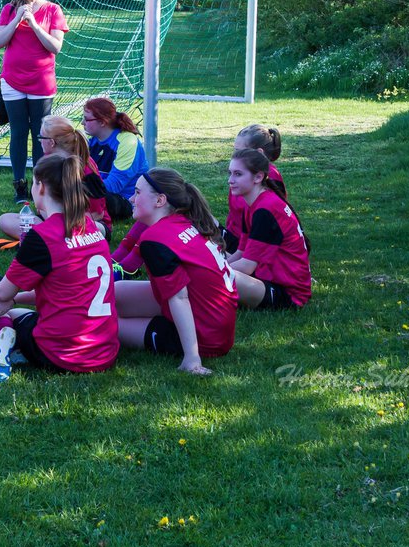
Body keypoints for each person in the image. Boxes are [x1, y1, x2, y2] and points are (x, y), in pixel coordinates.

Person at [0, 154, 119, 381]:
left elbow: (3, 293)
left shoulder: (42, 236)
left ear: (41, 188)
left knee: (7, 310)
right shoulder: (89, 226)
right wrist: (13, 297)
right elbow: (64, 288)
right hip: (104, 352)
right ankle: (19, 352)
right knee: (15, 305)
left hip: (61, 354)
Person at [113, 168, 238, 376]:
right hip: (214, 320)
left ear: (160, 200)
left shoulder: (156, 239)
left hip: (204, 335)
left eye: (137, 192)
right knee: (113, 294)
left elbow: (179, 298)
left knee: (103, 323)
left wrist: (192, 358)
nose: (131, 198)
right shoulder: (184, 219)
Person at [0, 0, 68, 204]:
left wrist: (34, 24)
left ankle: (39, 182)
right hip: (12, 80)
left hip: (41, 81)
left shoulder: (53, 10)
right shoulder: (9, 8)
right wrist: (16, 19)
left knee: (40, 134)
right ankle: (19, 185)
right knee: (18, 131)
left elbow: (55, 46)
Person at [0, 115, 111, 250]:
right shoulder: (46, 164)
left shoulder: (85, 168)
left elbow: (97, 215)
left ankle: (41, 242)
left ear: (51, 142)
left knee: (92, 229)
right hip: (53, 221)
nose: (39, 142)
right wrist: (52, 222)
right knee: (5, 220)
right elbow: (41, 207)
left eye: (41, 138)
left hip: (85, 225)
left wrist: (60, 221)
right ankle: (49, 241)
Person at [227, 148, 311, 310]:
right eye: (230, 173)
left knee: (220, 275)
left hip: (288, 294)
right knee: (213, 259)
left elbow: (247, 266)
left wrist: (207, 271)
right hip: (265, 279)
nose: (230, 180)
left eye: (238, 174)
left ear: (258, 177)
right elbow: (241, 253)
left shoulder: (266, 208)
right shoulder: (252, 204)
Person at [223, 124, 286, 256]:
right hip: (239, 240)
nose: (234, 155)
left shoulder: (267, 179)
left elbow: (264, 226)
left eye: (239, 151)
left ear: (259, 153)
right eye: (234, 150)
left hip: (251, 245)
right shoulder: (242, 175)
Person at [82, 97, 148, 221]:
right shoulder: (93, 140)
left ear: (102, 122)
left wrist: (78, 189)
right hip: (99, 193)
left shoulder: (127, 142)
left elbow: (114, 185)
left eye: (86, 119)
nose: (82, 123)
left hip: (124, 200)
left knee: (74, 194)